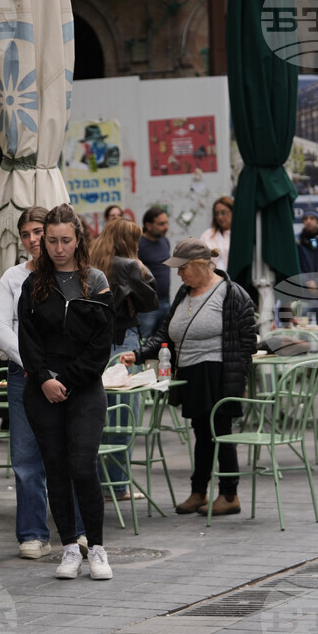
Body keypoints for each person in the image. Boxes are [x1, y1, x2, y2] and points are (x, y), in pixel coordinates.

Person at [120, 238, 256, 517]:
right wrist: (140, 353)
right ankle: (199, 492)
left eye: (183, 268)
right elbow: (165, 332)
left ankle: (229, 494)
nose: (179, 274)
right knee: (202, 434)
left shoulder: (231, 293)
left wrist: (239, 380)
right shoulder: (185, 292)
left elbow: (247, 341)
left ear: (199, 265)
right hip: (191, 372)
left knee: (221, 432)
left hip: (219, 371)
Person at [18, 204, 115, 580]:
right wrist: (43, 378)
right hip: (42, 388)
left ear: (78, 240)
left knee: (83, 466)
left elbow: (101, 342)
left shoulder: (96, 281)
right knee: (55, 469)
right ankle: (70, 548)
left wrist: (69, 380)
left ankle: (98, 548)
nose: (58, 248)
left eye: (65, 241)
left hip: (84, 388)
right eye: (51, 240)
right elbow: (28, 339)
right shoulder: (34, 284)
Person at [0, 207, 54, 560]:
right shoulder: (12, 277)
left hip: (64, 374)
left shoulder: (70, 273)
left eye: (38, 232)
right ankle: (32, 532)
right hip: (22, 374)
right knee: (25, 456)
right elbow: (1, 326)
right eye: (27, 233)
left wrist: (54, 367)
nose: (33, 239)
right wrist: (33, 363)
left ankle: (76, 528)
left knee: (66, 452)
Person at [90, 218, 158, 500]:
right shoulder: (128, 266)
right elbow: (151, 300)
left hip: (95, 344)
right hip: (124, 342)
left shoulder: (93, 262)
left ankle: (99, 482)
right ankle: (117, 486)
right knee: (124, 415)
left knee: (97, 417)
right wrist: (141, 266)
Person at [137, 206, 172, 341]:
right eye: (161, 224)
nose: (166, 227)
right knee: (145, 340)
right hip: (148, 305)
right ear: (148, 225)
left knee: (162, 340)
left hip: (165, 301)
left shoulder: (165, 241)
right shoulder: (139, 244)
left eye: (166, 223)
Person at [200, 196, 232, 272]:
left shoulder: (238, 235)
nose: (220, 217)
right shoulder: (207, 235)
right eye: (216, 214)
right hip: (212, 279)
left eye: (223, 213)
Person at [297, 209, 318, 275]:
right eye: (305, 219)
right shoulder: (297, 241)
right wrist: (306, 281)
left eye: (312, 218)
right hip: (303, 283)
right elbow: (295, 265)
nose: (308, 221)